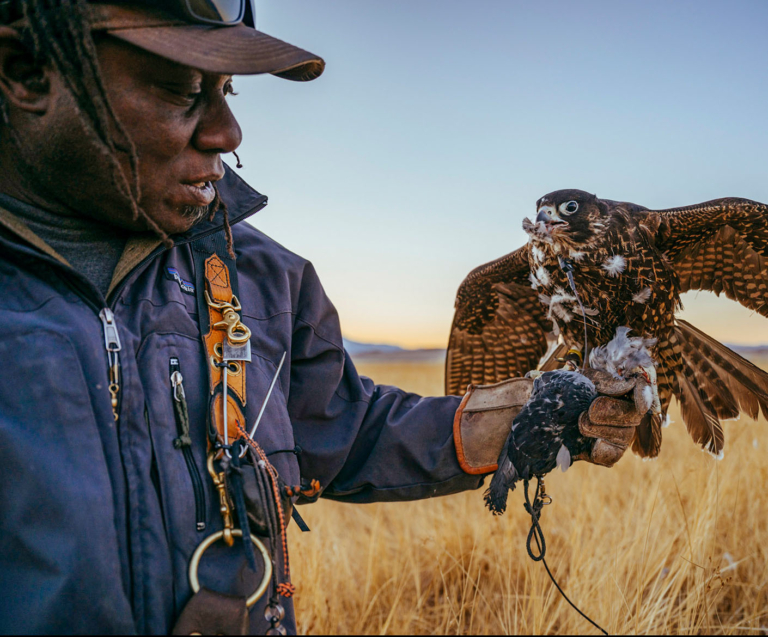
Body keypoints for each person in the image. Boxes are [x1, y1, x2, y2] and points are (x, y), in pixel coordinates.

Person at [0, 2, 644, 633]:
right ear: (25, 72)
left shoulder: (261, 278)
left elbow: (347, 431)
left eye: (227, 91)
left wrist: (528, 415)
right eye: (183, 91)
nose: (227, 132)